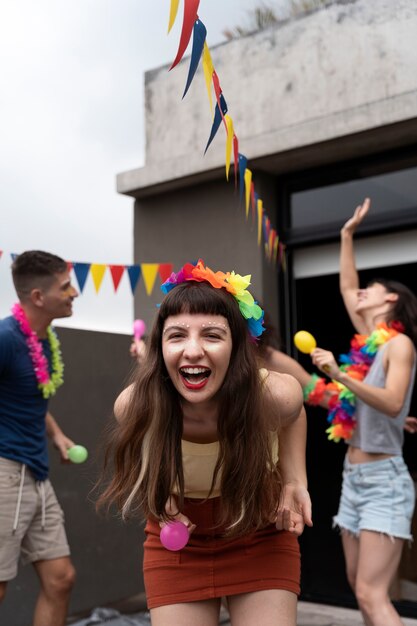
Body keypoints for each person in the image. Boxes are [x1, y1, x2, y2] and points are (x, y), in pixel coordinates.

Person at [98, 259, 312, 626]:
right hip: (179, 539)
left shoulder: (274, 395)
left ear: (237, 347)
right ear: (159, 347)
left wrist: (294, 479)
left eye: (212, 335)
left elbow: (294, 417)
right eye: (177, 335)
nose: (193, 350)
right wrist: (160, 495)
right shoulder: (134, 405)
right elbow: (140, 453)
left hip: (258, 529)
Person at [306, 198, 417, 626]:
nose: (359, 294)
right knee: (359, 587)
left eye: (368, 290)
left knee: (373, 595)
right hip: (353, 479)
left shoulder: (398, 345)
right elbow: (346, 285)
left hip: (383, 482)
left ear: (390, 298)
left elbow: (390, 401)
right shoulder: (370, 345)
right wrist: (346, 235)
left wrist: (338, 375)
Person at [0, 250, 79, 626]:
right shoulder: (5, 338)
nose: (75, 293)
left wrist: (58, 435)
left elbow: (30, 397)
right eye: (66, 287)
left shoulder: (44, 339)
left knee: (61, 579)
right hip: (4, 473)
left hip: (36, 472)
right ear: (37, 297)